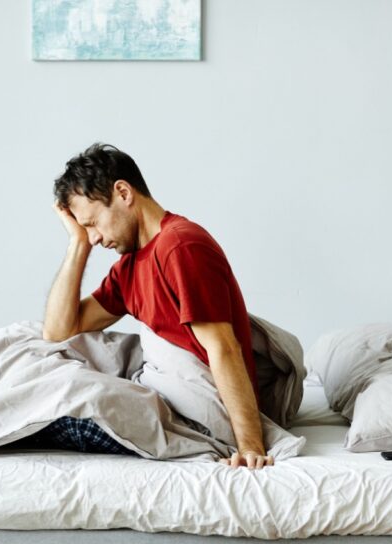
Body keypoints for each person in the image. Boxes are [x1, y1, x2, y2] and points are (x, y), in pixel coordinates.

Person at [41, 143, 272, 470]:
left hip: (200, 410)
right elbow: (58, 331)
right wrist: (76, 244)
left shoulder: (180, 246)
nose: (93, 238)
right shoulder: (129, 267)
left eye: (92, 224)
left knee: (60, 401)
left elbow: (224, 349)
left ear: (123, 193)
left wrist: (250, 445)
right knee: (43, 361)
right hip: (163, 396)